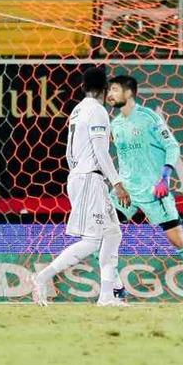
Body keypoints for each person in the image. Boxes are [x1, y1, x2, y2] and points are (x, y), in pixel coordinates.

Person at [106, 75, 183, 303]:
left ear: (129, 93)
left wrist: (165, 177)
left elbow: (172, 145)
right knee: (101, 234)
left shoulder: (148, 118)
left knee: (178, 240)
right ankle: (116, 288)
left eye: (114, 90)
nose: (110, 95)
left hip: (154, 192)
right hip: (127, 193)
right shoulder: (115, 124)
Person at [32, 67, 125, 306]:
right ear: (104, 89)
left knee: (113, 233)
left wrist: (77, 171)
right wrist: (117, 182)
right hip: (89, 180)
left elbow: (69, 150)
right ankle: (43, 277)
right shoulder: (98, 111)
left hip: (84, 177)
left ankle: (106, 296)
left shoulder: (77, 109)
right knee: (92, 241)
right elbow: (100, 151)